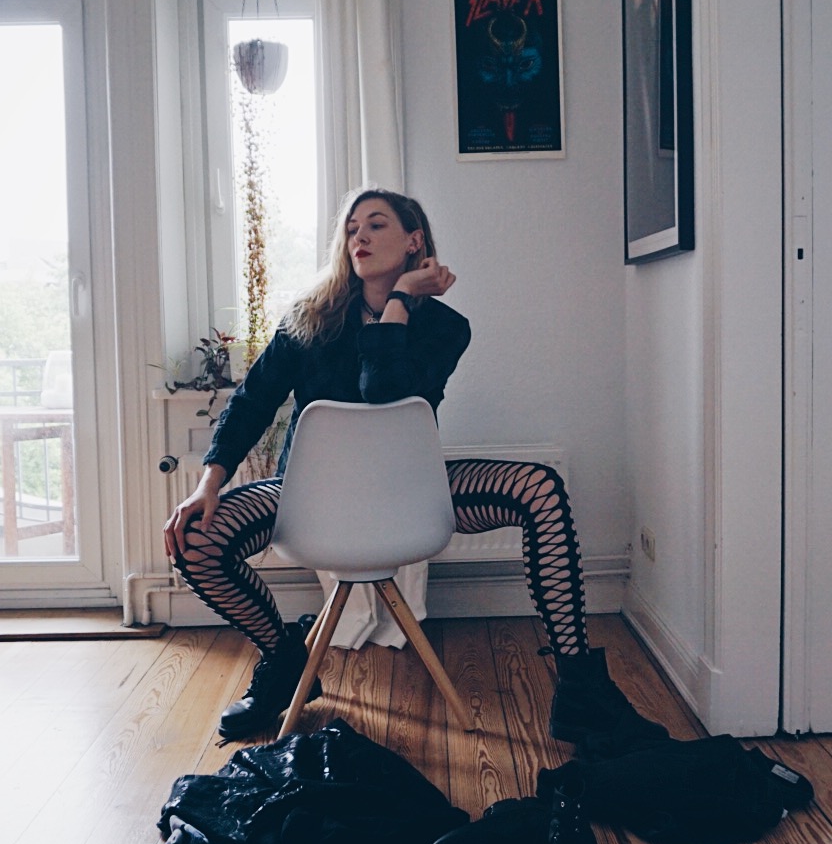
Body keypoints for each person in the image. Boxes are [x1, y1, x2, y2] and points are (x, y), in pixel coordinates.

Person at [164, 188, 669, 758]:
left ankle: (580, 686)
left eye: (376, 225)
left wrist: (400, 299)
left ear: (415, 241)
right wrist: (208, 485)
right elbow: (252, 402)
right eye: (351, 228)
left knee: (539, 488)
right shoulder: (306, 322)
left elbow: (383, 393)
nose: (359, 237)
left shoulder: (447, 328)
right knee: (194, 539)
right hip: (309, 499)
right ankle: (283, 659)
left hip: (407, 494)